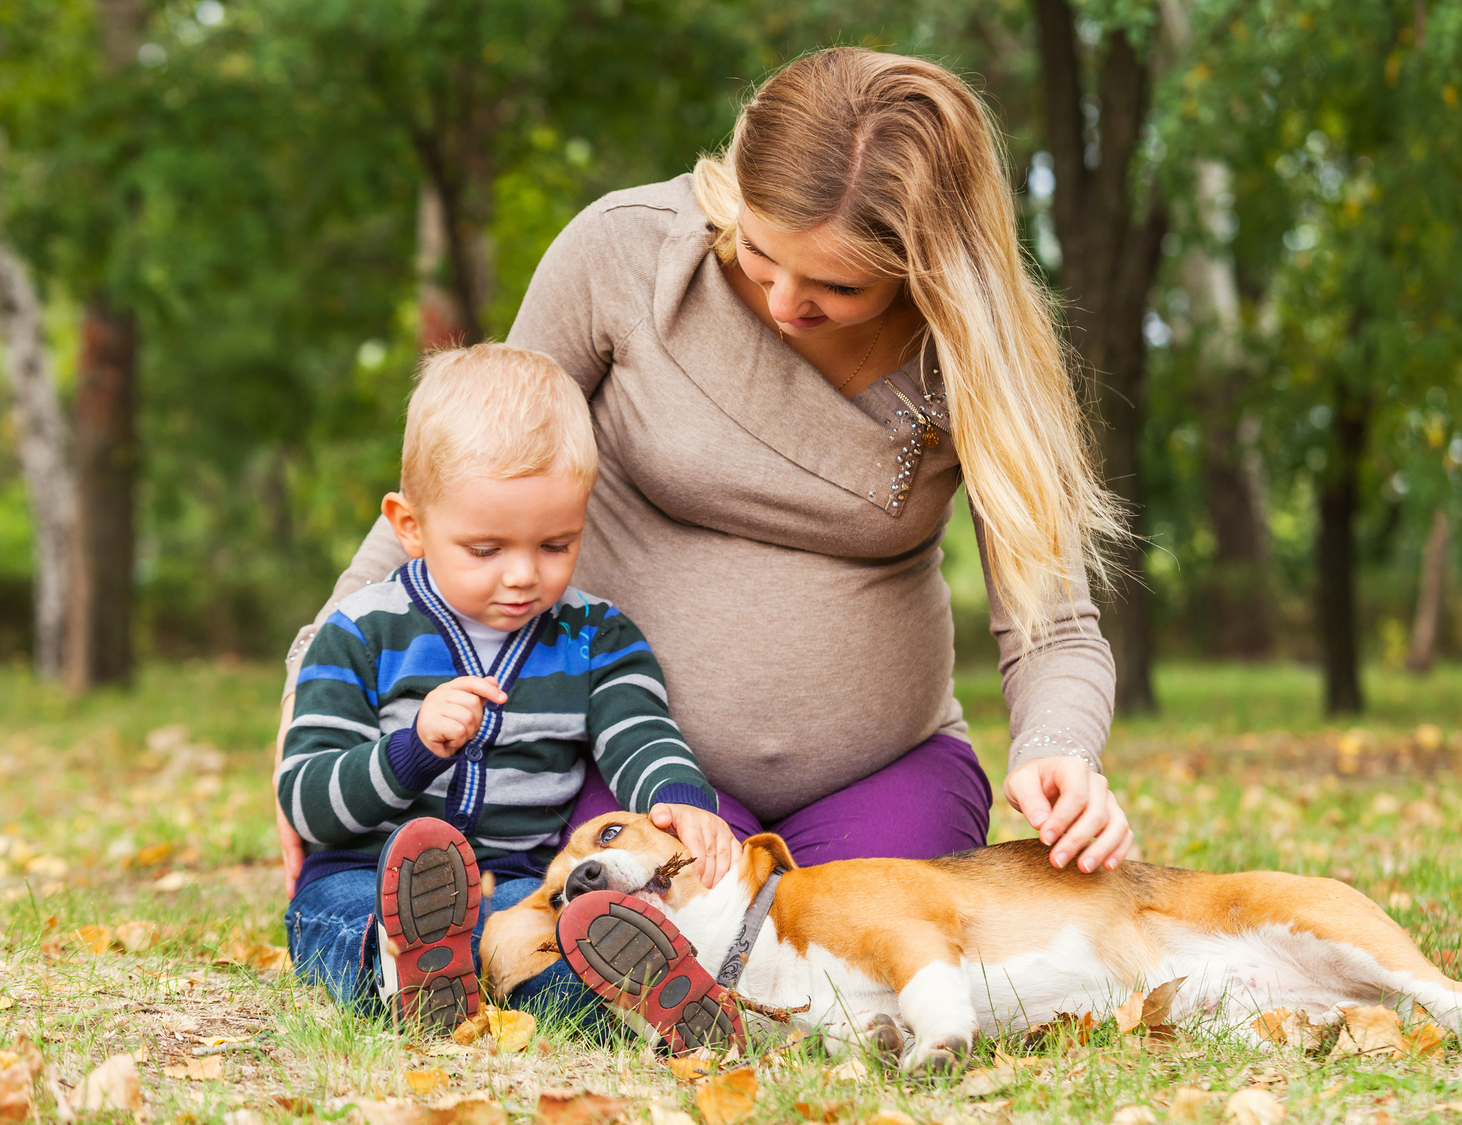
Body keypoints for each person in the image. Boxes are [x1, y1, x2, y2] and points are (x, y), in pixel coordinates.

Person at [278, 46, 1133, 914]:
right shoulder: (626, 252)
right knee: (657, 938)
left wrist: (1058, 745)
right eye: (762, 253)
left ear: (929, 265)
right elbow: (459, 478)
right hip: (627, 758)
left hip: (886, 770)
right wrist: (307, 692)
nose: (785, 302)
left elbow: (1052, 622)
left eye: (837, 283)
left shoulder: (977, 360)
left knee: (863, 951)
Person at [280, 342, 738, 1032]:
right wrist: (410, 750)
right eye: (487, 550)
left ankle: (626, 1000)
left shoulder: (596, 637)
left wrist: (677, 803)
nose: (524, 574)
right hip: (365, 869)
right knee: (343, 920)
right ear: (411, 525)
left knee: (542, 936)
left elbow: (640, 732)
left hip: (520, 878)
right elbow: (310, 799)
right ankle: (398, 962)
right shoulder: (360, 632)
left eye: (555, 544)